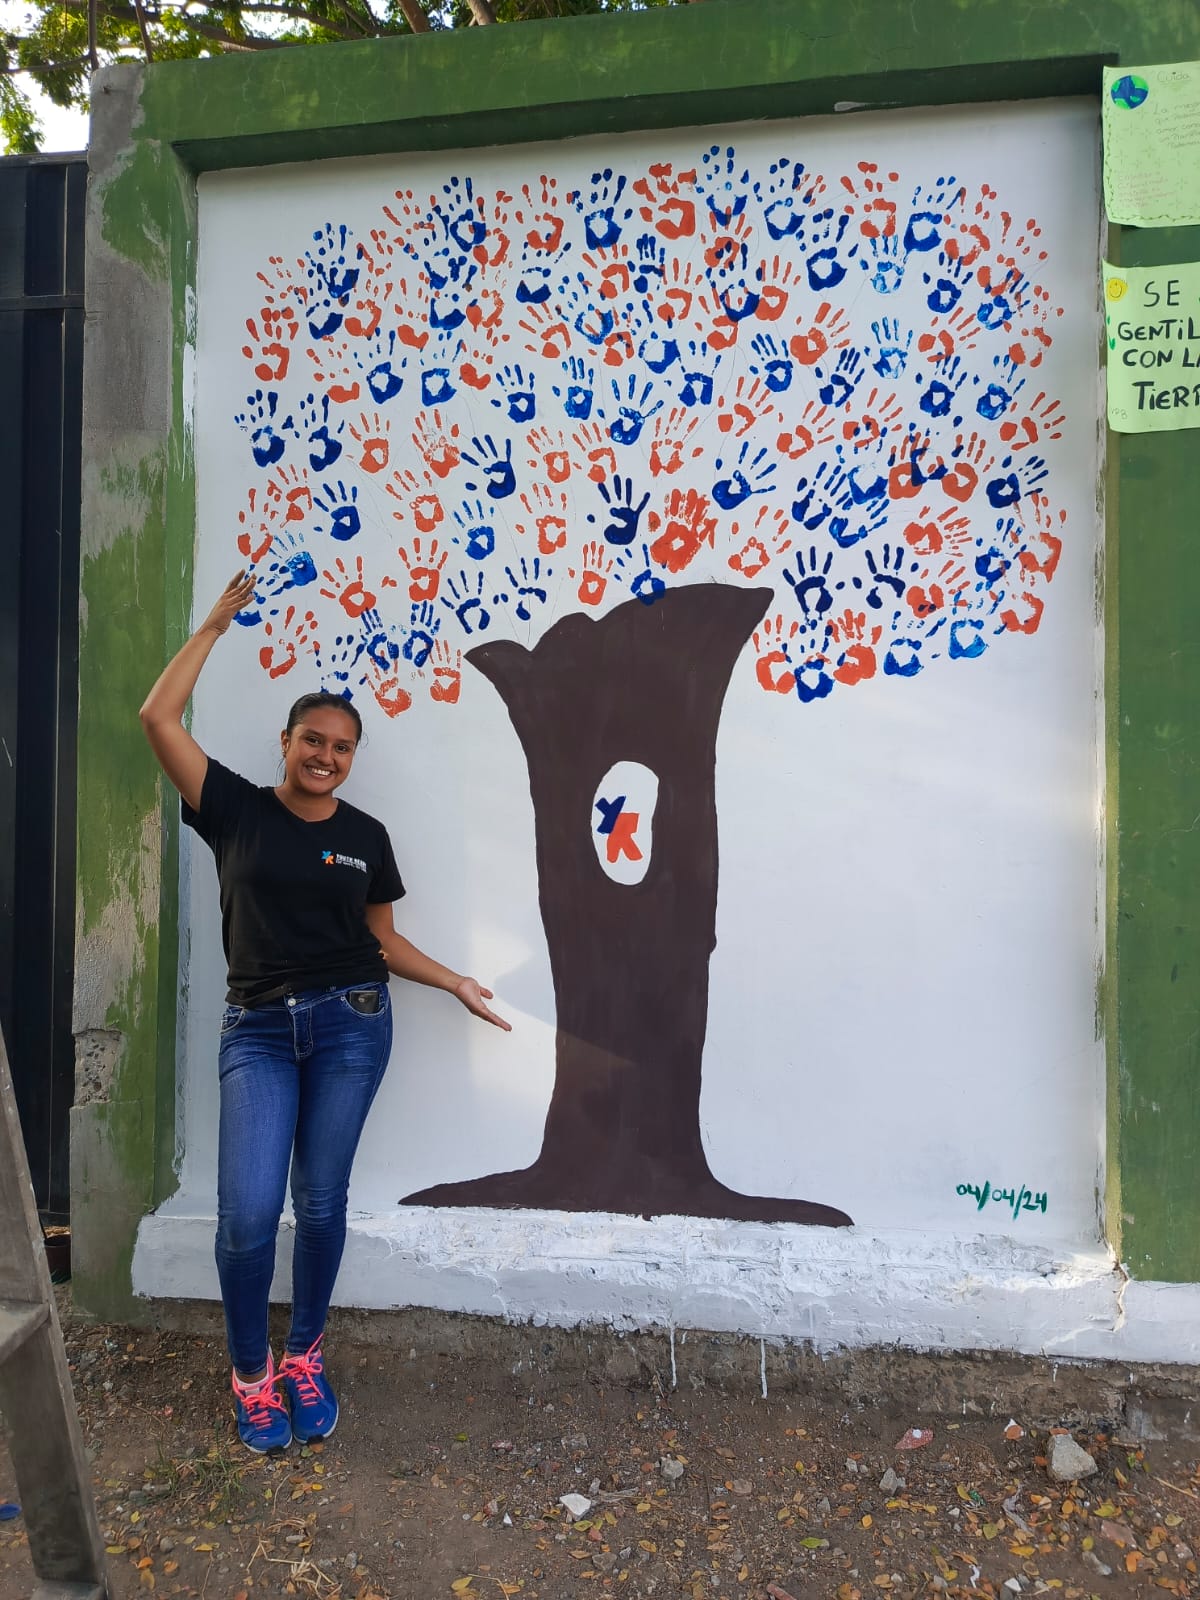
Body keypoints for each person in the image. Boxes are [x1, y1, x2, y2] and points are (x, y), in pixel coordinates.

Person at [139, 569, 511, 1453]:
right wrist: (212, 628)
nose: (327, 756)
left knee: (321, 1198)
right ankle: (251, 1374)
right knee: (246, 1214)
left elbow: (380, 941)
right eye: (314, 739)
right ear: (288, 740)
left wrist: (453, 980)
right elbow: (158, 719)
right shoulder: (232, 808)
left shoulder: (366, 838)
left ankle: (304, 1355)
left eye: (343, 748)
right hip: (259, 1031)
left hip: (352, 1022)